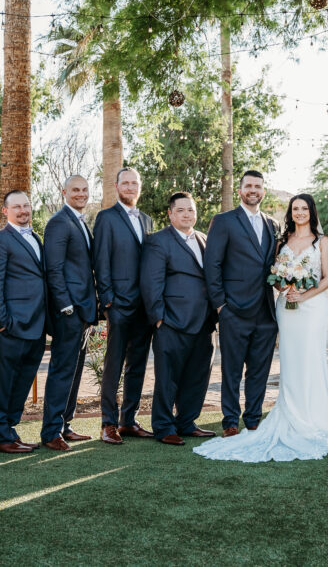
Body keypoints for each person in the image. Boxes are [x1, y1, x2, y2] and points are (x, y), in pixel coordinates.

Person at [195, 194, 328, 462]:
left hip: (311, 309)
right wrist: (285, 288)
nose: (300, 213)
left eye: (304, 208)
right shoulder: (282, 241)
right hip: (286, 310)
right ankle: (284, 414)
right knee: (289, 361)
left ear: (312, 212)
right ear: (291, 212)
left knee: (311, 359)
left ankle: (314, 419)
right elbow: (272, 275)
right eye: (295, 208)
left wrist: (303, 295)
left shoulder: (323, 242)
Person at [203, 170, 280, 437]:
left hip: (266, 312)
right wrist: (220, 305)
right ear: (240, 191)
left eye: (258, 186)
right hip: (233, 310)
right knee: (232, 371)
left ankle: (254, 418)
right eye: (248, 185)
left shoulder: (272, 224)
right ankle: (230, 422)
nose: (253, 190)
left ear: (263, 191)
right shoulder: (224, 221)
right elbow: (212, 264)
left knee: (260, 370)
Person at [140, 193, 218, 446]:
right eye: (181, 210)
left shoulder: (205, 239)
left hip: (204, 322)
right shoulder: (158, 241)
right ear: (171, 214)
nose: (187, 214)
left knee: (197, 376)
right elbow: (151, 283)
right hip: (172, 322)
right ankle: (163, 426)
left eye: (191, 210)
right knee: (168, 377)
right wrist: (159, 318)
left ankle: (186, 421)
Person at [92, 168, 155, 444]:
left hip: (145, 306)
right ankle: (108, 423)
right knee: (114, 364)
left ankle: (128, 420)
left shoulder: (147, 220)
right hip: (118, 303)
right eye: (125, 183)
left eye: (134, 183)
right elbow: (101, 260)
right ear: (117, 187)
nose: (130, 187)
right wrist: (107, 301)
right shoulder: (106, 218)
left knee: (138, 365)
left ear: (140, 187)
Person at [0, 190, 47, 454]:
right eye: (17, 207)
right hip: (12, 326)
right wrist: (1, 322)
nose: (23, 211)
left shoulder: (35, 237)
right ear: (5, 211)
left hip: (37, 324)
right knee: (5, 382)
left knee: (22, 382)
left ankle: (10, 429)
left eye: (26, 206)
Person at [40, 174, 97, 451]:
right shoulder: (58, 223)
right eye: (75, 189)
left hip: (83, 311)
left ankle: (65, 424)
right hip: (69, 312)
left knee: (75, 371)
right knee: (62, 370)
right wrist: (66, 306)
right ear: (64, 192)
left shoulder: (81, 222)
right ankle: (51, 431)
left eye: (85, 190)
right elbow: (54, 269)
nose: (81, 194)